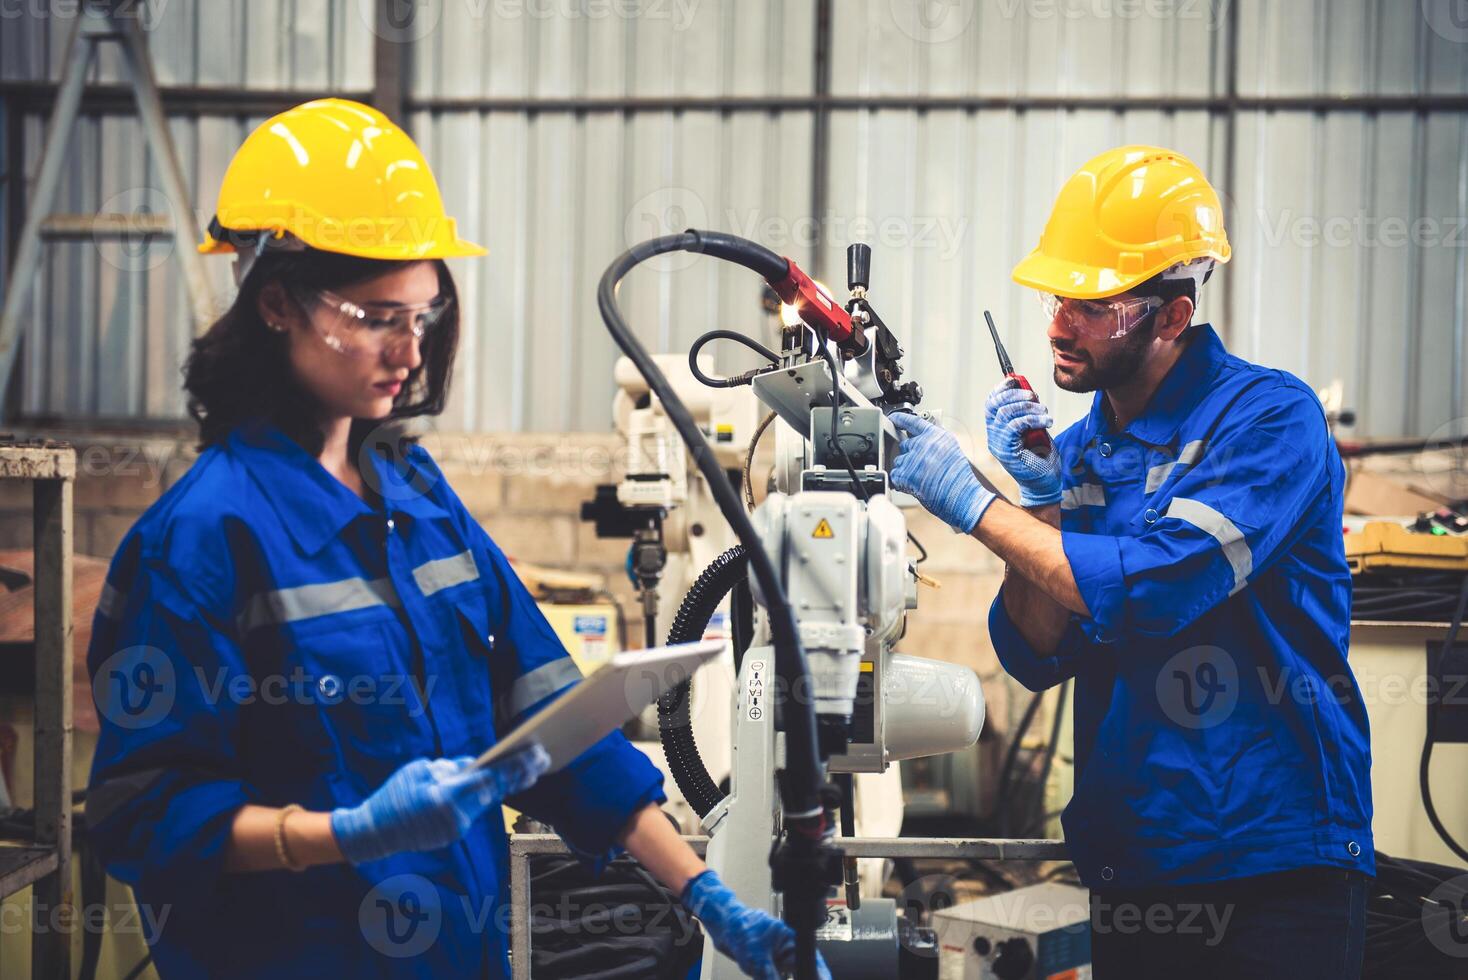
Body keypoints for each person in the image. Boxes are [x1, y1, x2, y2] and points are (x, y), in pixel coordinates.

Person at [86, 98, 828, 980]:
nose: (408, 350)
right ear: (275, 303)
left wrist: (706, 899)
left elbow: (554, 724)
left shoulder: (421, 497)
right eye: (375, 317)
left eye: (425, 316)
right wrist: (339, 836)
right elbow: (144, 816)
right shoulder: (203, 538)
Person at [888, 145, 1372, 979]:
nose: (1054, 325)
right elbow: (1040, 651)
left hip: (1274, 868)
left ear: (1173, 316)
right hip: (1137, 866)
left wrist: (973, 504)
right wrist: (1038, 494)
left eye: (1089, 304)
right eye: (1053, 299)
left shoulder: (1268, 422)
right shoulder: (1075, 451)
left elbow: (1155, 587)